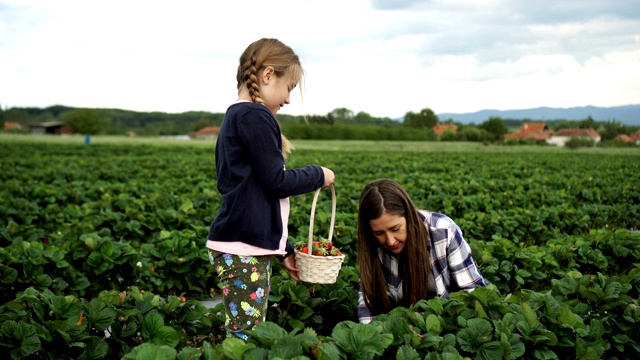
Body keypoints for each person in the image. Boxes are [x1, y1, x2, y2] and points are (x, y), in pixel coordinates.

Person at [206, 38, 335, 341]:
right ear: (267, 75)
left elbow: (253, 196)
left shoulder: (237, 115)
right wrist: (318, 174)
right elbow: (275, 183)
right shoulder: (254, 116)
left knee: (244, 334)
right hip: (242, 250)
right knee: (245, 339)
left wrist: (284, 250)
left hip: (242, 246)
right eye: (289, 87)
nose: (288, 99)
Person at [356, 179, 488, 323]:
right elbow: (368, 304)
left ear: (409, 216)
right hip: (403, 327)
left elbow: (472, 290)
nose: (390, 241)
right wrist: (374, 337)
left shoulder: (443, 231)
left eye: (395, 229)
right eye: (379, 233)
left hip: (449, 321)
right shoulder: (371, 245)